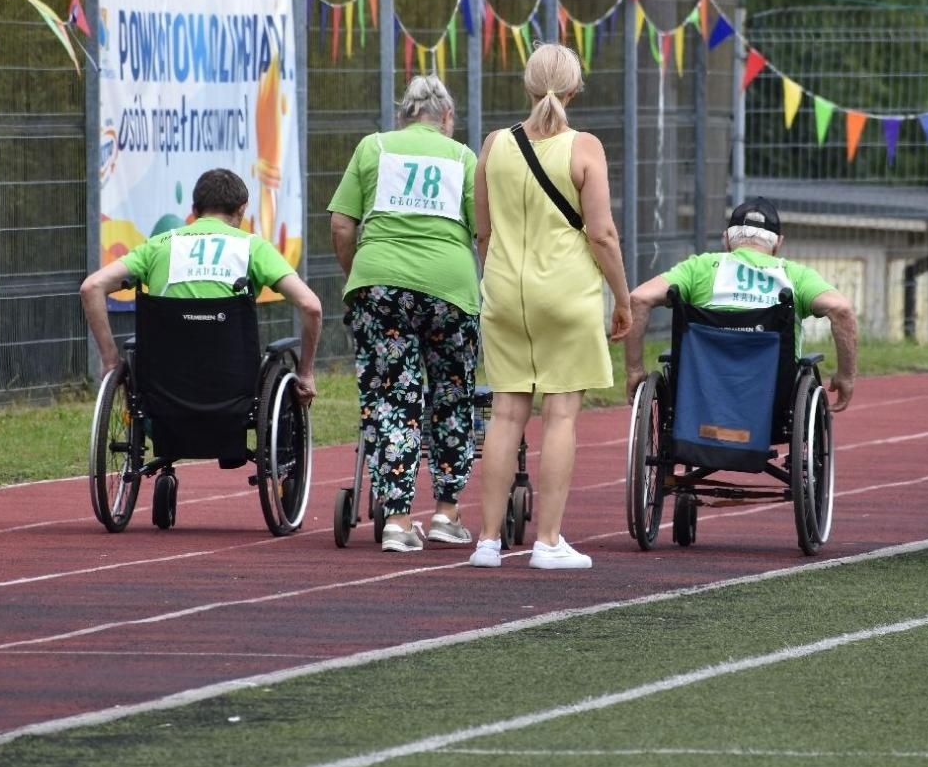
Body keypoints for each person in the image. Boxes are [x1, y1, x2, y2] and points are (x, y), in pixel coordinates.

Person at [469, 42, 629, 570]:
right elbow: (602, 233)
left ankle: (488, 541)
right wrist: (622, 299)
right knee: (560, 413)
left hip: (504, 292)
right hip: (565, 292)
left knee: (505, 412)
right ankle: (548, 541)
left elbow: (483, 232)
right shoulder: (584, 148)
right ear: (576, 89)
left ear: (526, 84)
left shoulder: (494, 144)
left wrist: (501, 274)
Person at [327, 76, 480, 552]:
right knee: (453, 396)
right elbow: (484, 232)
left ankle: (395, 521)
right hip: (450, 289)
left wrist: (362, 276)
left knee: (395, 399)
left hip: (382, 284)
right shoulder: (462, 157)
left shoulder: (373, 147)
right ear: (447, 118)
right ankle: (447, 513)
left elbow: (341, 223)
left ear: (403, 115)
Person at [81, 166, 321, 412]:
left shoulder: (158, 245)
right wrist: (305, 373)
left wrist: (110, 362)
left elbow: (92, 287)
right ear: (242, 209)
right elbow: (311, 306)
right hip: (234, 386)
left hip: (164, 387)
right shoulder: (254, 248)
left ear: (195, 211)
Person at [624, 197, 858, 413]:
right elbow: (841, 310)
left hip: (702, 393)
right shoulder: (795, 276)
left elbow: (639, 298)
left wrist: (635, 370)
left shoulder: (699, 268)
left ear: (727, 239)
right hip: (770, 400)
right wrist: (846, 376)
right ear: (778, 243)